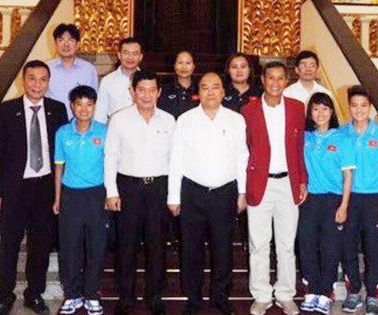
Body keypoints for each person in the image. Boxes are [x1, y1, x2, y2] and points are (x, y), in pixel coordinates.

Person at [0, 60, 68, 315]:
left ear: (48, 82)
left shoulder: (58, 109)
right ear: (23, 80)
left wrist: (60, 192)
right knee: (8, 244)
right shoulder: (6, 110)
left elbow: (62, 153)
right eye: (32, 78)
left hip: (44, 188)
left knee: (41, 245)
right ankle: (4, 296)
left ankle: (35, 294)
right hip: (13, 190)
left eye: (43, 79)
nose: (37, 84)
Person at [167, 72, 249, 315]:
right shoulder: (185, 120)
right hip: (192, 193)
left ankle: (221, 296)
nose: (211, 92)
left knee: (222, 248)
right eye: (205, 87)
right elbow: (176, 159)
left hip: (225, 193)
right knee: (191, 249)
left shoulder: (236, 120)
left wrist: (242, 191)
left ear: (224, 92)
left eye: (216, 87)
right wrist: (174, 196)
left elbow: (242, 157)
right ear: (198, 92)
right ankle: (193, 298)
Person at [104, 70, 175, 315]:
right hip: (128, 188)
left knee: (157, 245)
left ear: (159, 92)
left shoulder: (169, 120)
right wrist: (111, 191)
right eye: (141, 90)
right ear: (132, 92)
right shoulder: (119, 119)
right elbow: (110, 156)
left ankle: (154, 296)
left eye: (151, 90)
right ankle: (126, 298)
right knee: (127, 246)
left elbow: (175, 160)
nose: (146, 95)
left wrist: (173, 195)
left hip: (158, 188)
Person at [241, 61, 306, 315]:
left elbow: (299, 147)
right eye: (271, 78)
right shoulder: (248, 110)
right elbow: (244, 149)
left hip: (288, 183)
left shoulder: (297, 108)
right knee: (258, 243)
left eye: (281, 78)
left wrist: (302, 180)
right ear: (263, 81)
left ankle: (286, 294)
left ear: (287, 81)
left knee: (287, 243)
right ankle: (261, 294)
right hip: (260, 183)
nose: (276, 83)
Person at [298, 92, 354, 315]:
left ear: (332, 111)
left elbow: (348, 176)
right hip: (309, 199)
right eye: (315, 109)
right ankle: (312, 289)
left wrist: (344, 205)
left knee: (330, 248)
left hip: (333, 199)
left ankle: (324, 293)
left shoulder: (342, 139)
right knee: (307, 245)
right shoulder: (305, 137)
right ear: (310, 113)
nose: (320, 113)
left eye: (324, 109)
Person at [53, 85, 107, 315]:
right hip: (70, 196)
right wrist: (57, 198)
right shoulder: (63, 133)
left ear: (94, 106)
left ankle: (91, 294)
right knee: (69, 247)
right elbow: (58, 167)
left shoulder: (105, 131)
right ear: (72, 106)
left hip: (97, 195)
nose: (84, 109)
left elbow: (111, 165)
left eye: (89, 104)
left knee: (96, 246)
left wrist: (110, 194)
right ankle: (72, 295)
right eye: (79, 104)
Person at [339, 85, 378, 315]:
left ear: (369, 107)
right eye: (354, 105)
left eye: (363, 105)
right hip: (349, 198)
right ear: (348, 106)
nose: (358, 110)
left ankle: (372, 293)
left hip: (374, 198)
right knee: (348, 245)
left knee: (375, 247)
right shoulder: (341, 133)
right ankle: (353, 291)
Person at [46, 23, 98, 120]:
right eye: (61, 40)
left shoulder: (89, 70)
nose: (66, 44)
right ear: (55, 44)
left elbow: (94, 100)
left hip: (80, 125)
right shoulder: (46, 68)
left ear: (78, 44)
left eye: (71, 40)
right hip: (52, 123)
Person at [95, 37, 143, 123]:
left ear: (140, 57)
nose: (130, 57)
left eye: (135, 54)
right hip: (115, 132)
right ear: (119, 55)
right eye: (126, 53)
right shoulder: (107, 81)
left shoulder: (147, 81)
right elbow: (100, 115)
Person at [158, 50, 199, 119]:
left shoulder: (200, 89)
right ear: (174, 65)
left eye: (188, 63)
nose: (184, 67)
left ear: (193, 67)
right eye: (180, 63)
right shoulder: (164, 89)